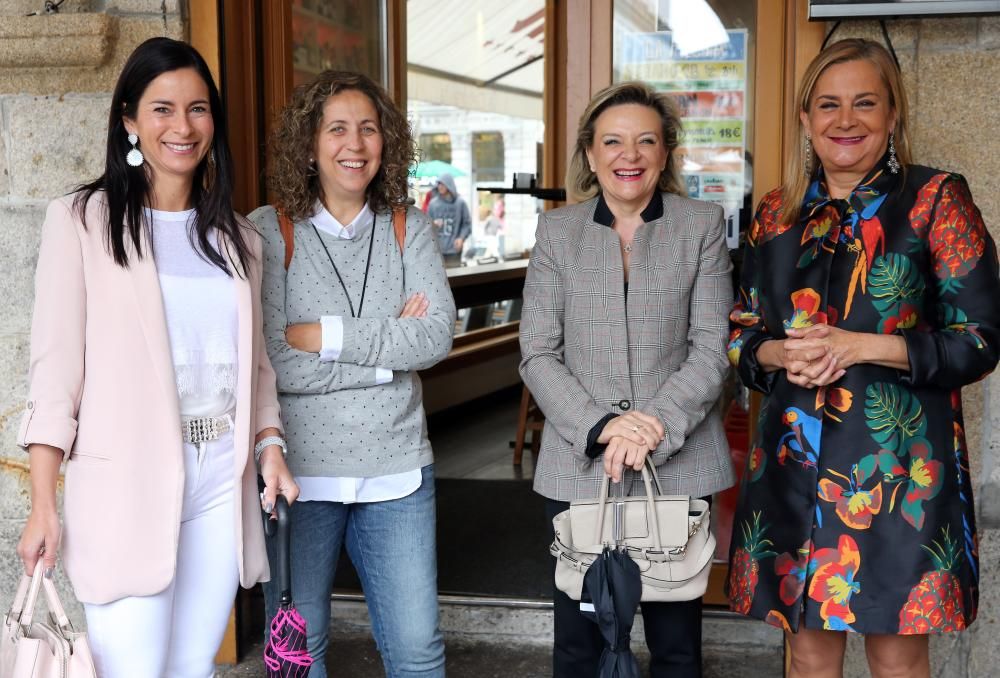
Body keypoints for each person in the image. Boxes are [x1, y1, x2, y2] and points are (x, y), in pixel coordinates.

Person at [14, 37, 298, 677]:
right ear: (129, 120)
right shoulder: (82, 221)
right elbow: (55, 375)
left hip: (219, 489)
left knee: (192, 668)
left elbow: (254, 370)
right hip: (126, 490)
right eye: (162, 108)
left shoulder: (239, 241)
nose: (183, 126)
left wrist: (270, 445)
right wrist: (43, 504)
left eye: (198, 109)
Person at [727, 38, 1000, 678]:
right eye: (827, 105)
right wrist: (776, 352)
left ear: (892, 114)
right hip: (793, 468)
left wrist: (864, 347)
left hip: (899, 473)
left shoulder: (936, 200)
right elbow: (740, 332)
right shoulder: (775, 213)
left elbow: (982, 336)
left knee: (897, 658)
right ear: (805, 118)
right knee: (808, 655)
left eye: (864, 104)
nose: (844, 121)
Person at [519, 81, 735, 678]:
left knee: (675, 646)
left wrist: (650, 427)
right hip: (579, 464)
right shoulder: (557, 233)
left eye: (646, 141)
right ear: (590, 154)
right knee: (580, 643)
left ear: (666, 153)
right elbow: (537, 351)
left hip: (678, 464)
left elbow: (712, 347)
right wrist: (607, 426)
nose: (629, 155)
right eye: (613, 141)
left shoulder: (701, 225)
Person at [250, 70, 455, 678]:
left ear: (386, 141)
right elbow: (272, 359)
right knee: (298, 650)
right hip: (296, 473)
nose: (355, 144)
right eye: (336, 128)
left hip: (397, 473)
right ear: (309, 143)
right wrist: (387, 356)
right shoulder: (269, 230)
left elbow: (435, 337)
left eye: (369, 128)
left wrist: (324, 336)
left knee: (418, 651)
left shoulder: (407, 227)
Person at [427, 172, 471, 264]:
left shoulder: (460, 203)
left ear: (449, 184)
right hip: (437, 251)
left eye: (443, 183)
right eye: (438, 183)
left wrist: (461, 238)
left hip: (454, 250)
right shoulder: (433, 204)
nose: (440, 186)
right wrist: (433, 223)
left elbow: (467, 224)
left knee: (455, 277)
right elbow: (426, 225)